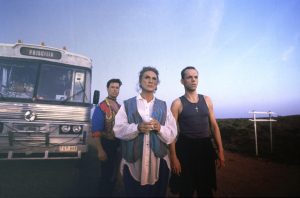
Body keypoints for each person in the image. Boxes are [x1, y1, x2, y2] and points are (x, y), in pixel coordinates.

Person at [113, 66, 177, 197]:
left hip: (158, 164)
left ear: (157, 83)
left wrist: (160, 128)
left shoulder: (164, 106)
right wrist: (137, 128)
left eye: (154, 78)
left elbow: (172, 134)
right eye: (147, 77)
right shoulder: (127, 104)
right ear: (140, 81)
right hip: (134, 164)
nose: (150, 81)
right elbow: (118, 130)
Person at [169, 66, 225, 197]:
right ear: (182, 81)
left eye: (195, 77)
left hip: (205, 148)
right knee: (186, 190)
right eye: (189, 77)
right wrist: (173, 157)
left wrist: (220, 151)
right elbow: (171, 132)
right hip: (185, 149)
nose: (193, 80)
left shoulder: (207, 100)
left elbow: (214, 126)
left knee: (206, 190)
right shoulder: (177, 103)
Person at [91, 78, 122, 196]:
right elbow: (96, 131)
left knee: (115, 172)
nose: (115, 90)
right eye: (112, 87)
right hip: (106, 144)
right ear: (107, 89)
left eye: (117, 88)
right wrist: (100, 150)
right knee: (106, 173)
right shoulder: (101, 107)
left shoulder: (120, 107)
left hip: (118, 145)